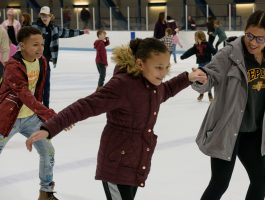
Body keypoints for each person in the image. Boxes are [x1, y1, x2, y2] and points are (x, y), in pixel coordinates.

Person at [25, 37, 205, 200]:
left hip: (136, 160)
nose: (163, 72)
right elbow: (85, 106)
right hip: (116, 162)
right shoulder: (122, 85)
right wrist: (49, 127)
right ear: (140, 64)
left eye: (166, 67)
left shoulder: (153, 85)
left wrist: (187, 78)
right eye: (158, 67)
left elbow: (165, 90)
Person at [191, 10, 265, 200]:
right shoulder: (229, 53)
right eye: (249, 35)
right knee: (220, 184)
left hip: (253, 131)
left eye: (260, 39)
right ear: (245, 31)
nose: (253, 42)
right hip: (227, 128)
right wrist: (201, 80)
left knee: (261, 179)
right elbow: (210, 76)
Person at [0, 26, 58, 200]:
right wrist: (50, 114)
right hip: (7, 119)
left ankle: (46, 192)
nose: (40, 48)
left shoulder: (42, 61)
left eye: (42, 44)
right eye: (35, 44)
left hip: (31, 118)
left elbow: (40, 91)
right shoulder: (12, 66)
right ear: (21, 46)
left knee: (48, 152)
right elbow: (26, 96)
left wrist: (43, 113)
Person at [32, 6, 89, 108]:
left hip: (45, 63)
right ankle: (35, 107)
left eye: (46, 15)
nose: (44, 18)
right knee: (35, 86)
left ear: (50, 16)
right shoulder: (34, 27)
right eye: (42, 15)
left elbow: (67, 32)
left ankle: (45, 108)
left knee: (46, 86)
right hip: (34, 62)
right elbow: (24, 38)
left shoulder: (54, 29)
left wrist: (81, 32)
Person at [180, 30, 216, 101]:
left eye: (196, 37)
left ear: (200, 37)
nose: (195, 38)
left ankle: (209, 93)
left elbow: (214, 51)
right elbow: (190, 51)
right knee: (200, 79)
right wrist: (183, 56)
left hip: (208, 64)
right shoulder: (196, 46)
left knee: (207, 79)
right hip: (200, 65)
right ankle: (201, 93)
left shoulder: (207, 44)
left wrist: (219, 57)